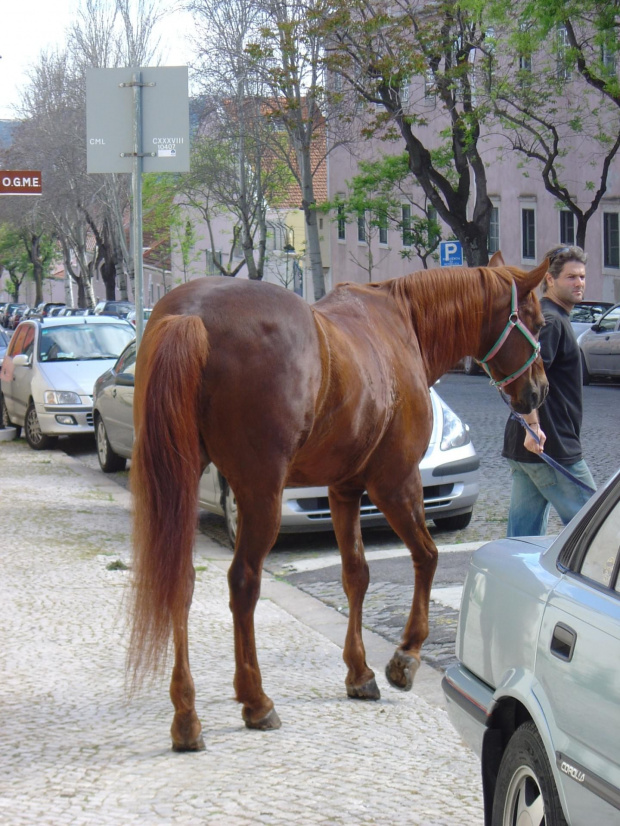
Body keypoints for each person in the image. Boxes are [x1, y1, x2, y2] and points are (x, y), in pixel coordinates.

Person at [502, 245, 596, 536]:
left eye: (581, 276)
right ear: (551, 280)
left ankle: (512, 578)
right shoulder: (552, 321)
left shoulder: (554, 318)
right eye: (571, 277)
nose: (579, 283)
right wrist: (533, 427)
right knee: (598, 528)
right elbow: (523, 377)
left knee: (522, 538)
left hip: (531, 446)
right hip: (550, 445)